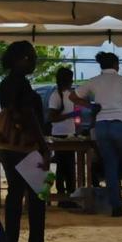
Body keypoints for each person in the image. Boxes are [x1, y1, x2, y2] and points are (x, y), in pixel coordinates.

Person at [0, 41, 58, 242]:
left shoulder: (4, 84)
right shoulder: (22, 85)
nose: (33, 62)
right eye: (31, 58)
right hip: (27, 146)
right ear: (21, 59)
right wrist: (43, 145)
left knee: (14, 197)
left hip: (6, 147)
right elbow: (28, 116)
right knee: (39, 198)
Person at [70, 52, 122, 217]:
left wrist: (90, 106)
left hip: (102, 126)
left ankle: (116, 208)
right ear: (115, 64)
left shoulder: (94, 81)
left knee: (111, 167)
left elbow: (73, 96)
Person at [45, 67, 80, 208]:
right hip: (59, 134)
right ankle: (62, 195)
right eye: (70, 79)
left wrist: (76, 122)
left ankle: (71, 194)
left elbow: (75, 113)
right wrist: (70, 116)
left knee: (70, 166)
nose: (71, 81)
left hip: (71, 133)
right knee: (62, 167)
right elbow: (52, 117)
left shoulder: (71, 95)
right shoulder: (55, 96)